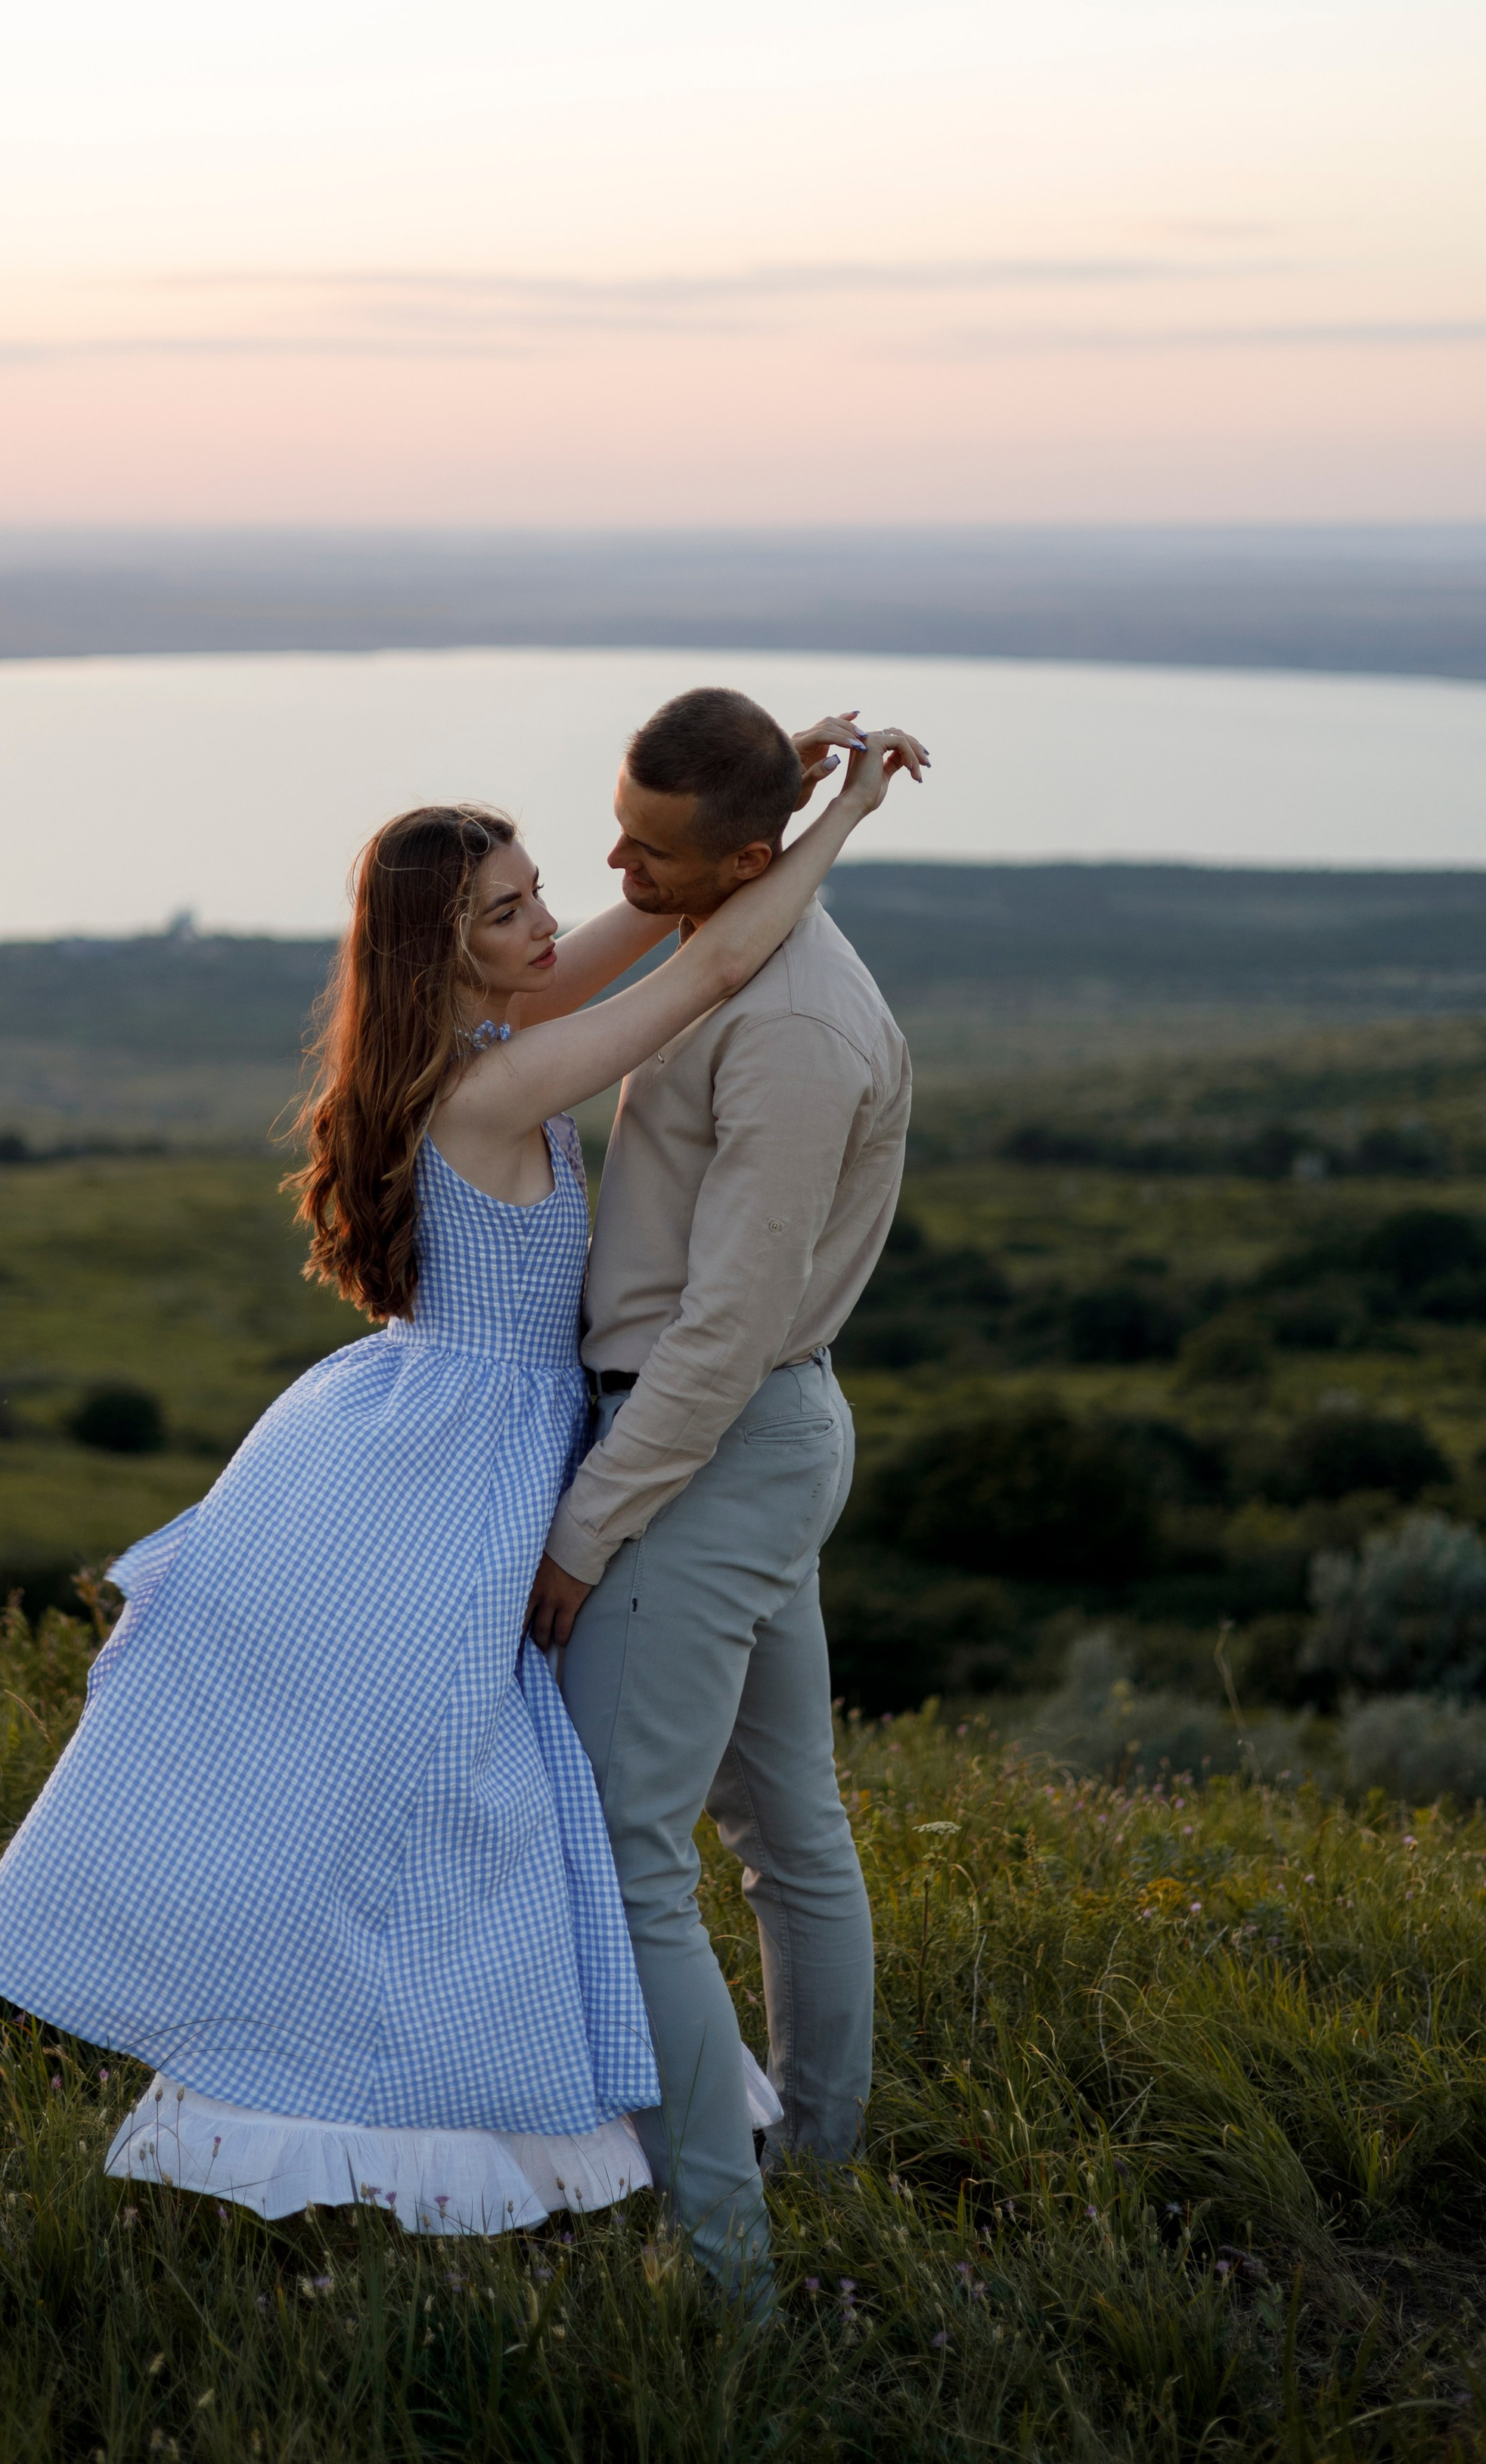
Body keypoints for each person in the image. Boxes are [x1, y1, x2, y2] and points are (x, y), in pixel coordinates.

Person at [0, 716, 911, 2236]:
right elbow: (709, 962)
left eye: (537, 891)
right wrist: (836, 820)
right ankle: (492, 2092)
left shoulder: (478, 1035)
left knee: (496, 1794)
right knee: (476, 1794)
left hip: (452, 1429)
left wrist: (763, 804)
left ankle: (614, 2103)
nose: (553, 918)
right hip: (470, 1465)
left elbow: (649, 925)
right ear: (452, 952)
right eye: (512, 910)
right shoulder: (491, 1088)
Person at [526, 685, 923, 2301]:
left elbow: (726, 1325)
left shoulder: (792, 1030)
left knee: (627, 1852)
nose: (615, 866)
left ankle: (724, 2265)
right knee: (786, 1828)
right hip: (740, 1438)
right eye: (616, 827)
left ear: (747, 857)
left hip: (706, 1446)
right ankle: (814, 2168)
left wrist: (587, 1523)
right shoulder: (739, 936)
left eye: (652, 850)